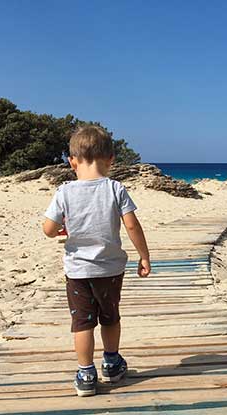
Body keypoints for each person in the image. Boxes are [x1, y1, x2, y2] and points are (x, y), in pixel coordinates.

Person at [42, 125, 151, 397]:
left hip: (78, 271)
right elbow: (132, 226)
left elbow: (47, 228)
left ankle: (86, 372)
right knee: (110, 317)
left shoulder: (64, 192)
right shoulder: (116, 189)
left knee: (82, 322)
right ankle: (112, 364)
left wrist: (61, 229)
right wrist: (144, 255)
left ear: (72, 161)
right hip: (111, 269)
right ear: (111, 159)